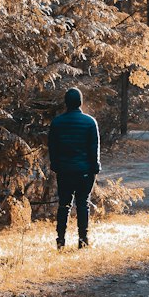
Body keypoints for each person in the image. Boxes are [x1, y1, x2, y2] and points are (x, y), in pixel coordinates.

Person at [48, 86, 101, 249]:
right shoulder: (90, 122)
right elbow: (94, 148)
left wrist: (56, 166)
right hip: (84, 171)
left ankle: (61, 240)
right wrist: (95, 167)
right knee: (83, 204)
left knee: (64, 205)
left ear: (66, 102)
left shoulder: (57, 123)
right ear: (80, 102)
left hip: (64, 171)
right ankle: (83, 240)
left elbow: (53, 147)